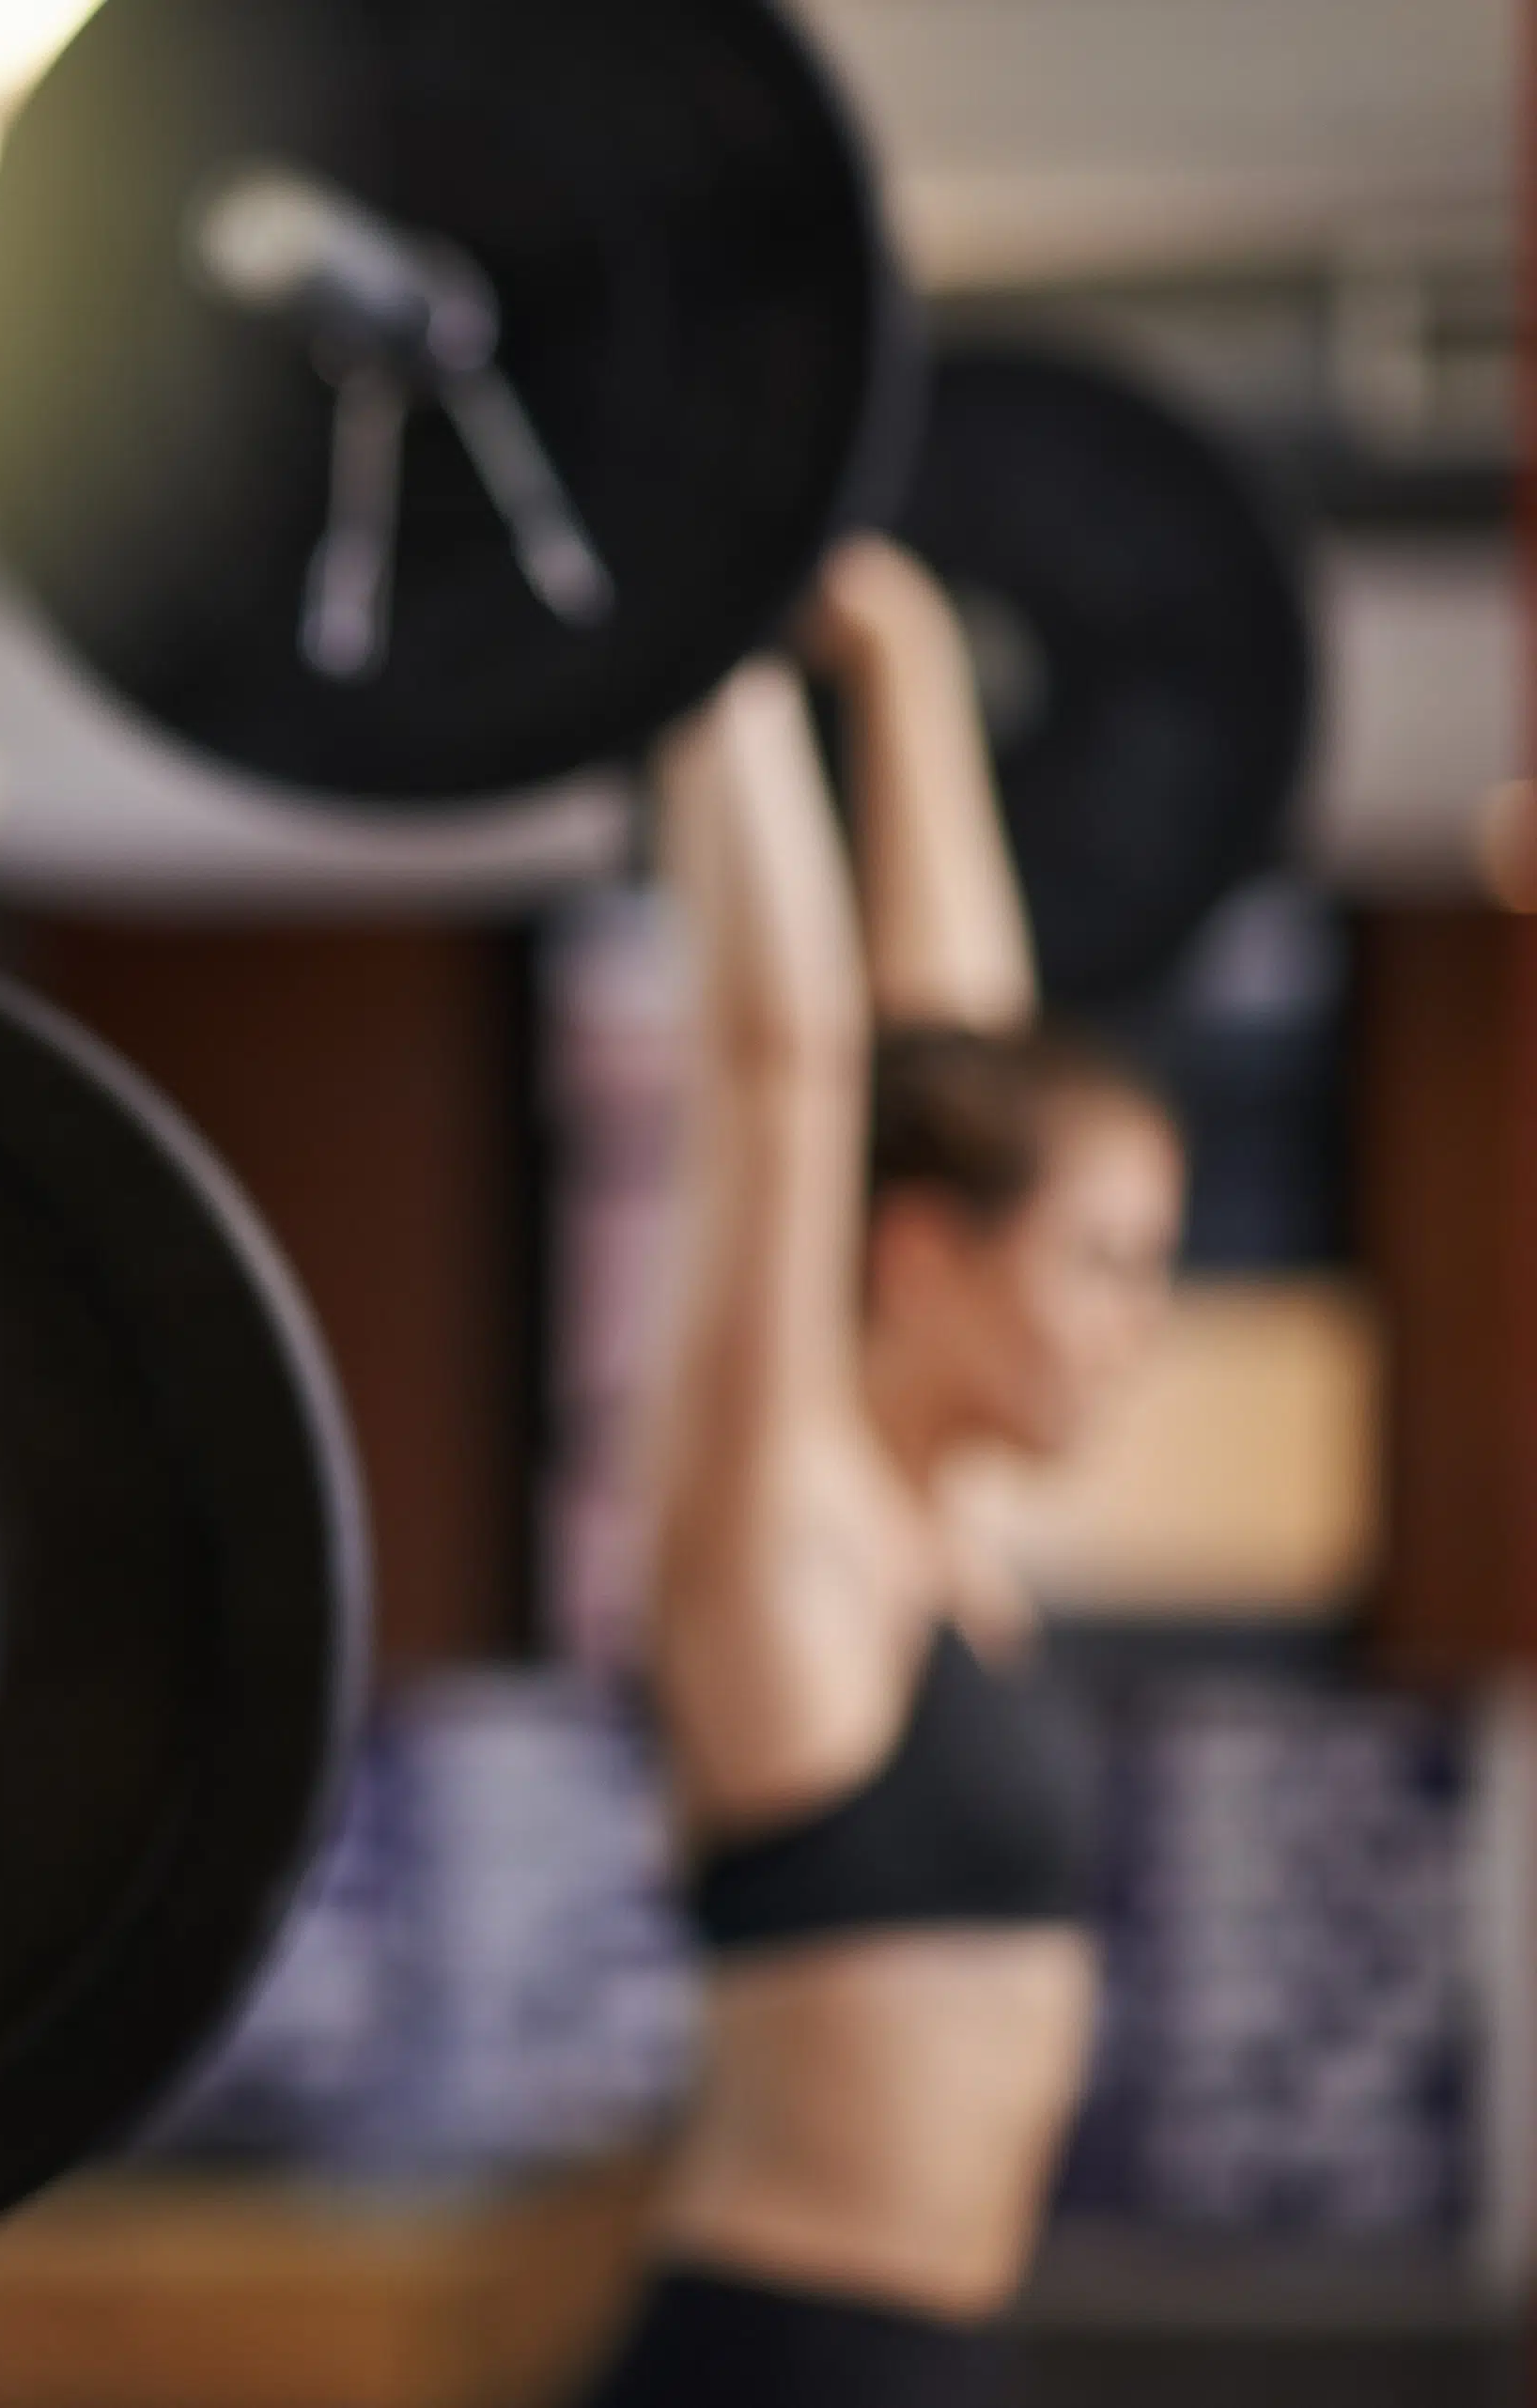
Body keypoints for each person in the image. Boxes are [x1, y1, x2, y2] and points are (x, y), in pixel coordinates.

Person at [589, 537, 1186, 2407]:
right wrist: (711, 629)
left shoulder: (951, 1533)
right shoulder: (790, 1544)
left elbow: (955, 1054)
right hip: (778, 2365)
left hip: (926, 2356)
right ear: (926, 1259)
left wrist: (908, 666)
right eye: (1105, 1265)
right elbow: (786, 1065)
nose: (1136, 1329)